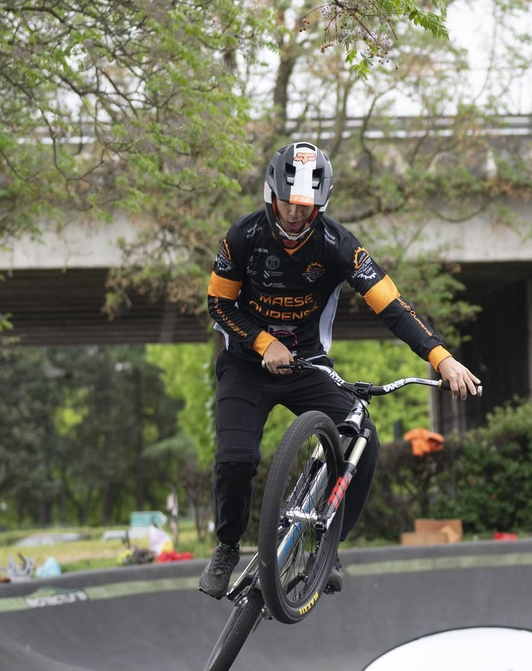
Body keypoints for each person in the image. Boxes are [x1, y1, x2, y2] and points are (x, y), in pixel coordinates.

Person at [199, 141, 481, 599]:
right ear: (271, 194)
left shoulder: (339, 245)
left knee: (362, 435)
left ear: (321, 206)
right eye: (288, 203)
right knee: (236, 460)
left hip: (307, 364)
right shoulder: (242, 237)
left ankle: (328, 543)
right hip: (246, 366)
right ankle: (227, 547)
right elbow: (218, 304)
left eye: (306, 207)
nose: (294, 214)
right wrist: (263, 342)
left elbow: (393, 308)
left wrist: (441, 357)